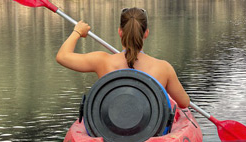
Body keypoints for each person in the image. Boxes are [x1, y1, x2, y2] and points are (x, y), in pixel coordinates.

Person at [56, 7, 190, 109]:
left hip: (112, 132)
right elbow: (184, 103)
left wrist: (77, 31)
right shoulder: (163, 68)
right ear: (146, 33)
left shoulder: (102, 61)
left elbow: (62, 57)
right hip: (149, 132)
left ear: (120, 32)